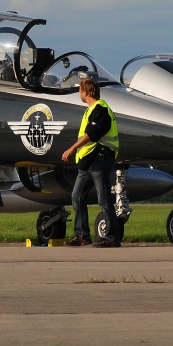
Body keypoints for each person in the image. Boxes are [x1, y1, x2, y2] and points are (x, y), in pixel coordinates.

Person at [61, 77, 121, 247]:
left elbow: (92, 134)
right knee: (77, 196)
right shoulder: (91, 110)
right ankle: (82, 236)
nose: (79, 93)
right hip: (88, 161)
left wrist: (72, 148)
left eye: (80, 90)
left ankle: (111, 238)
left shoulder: (101, 109)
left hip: (99, 158)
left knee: (104, 199)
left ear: (86, 92)